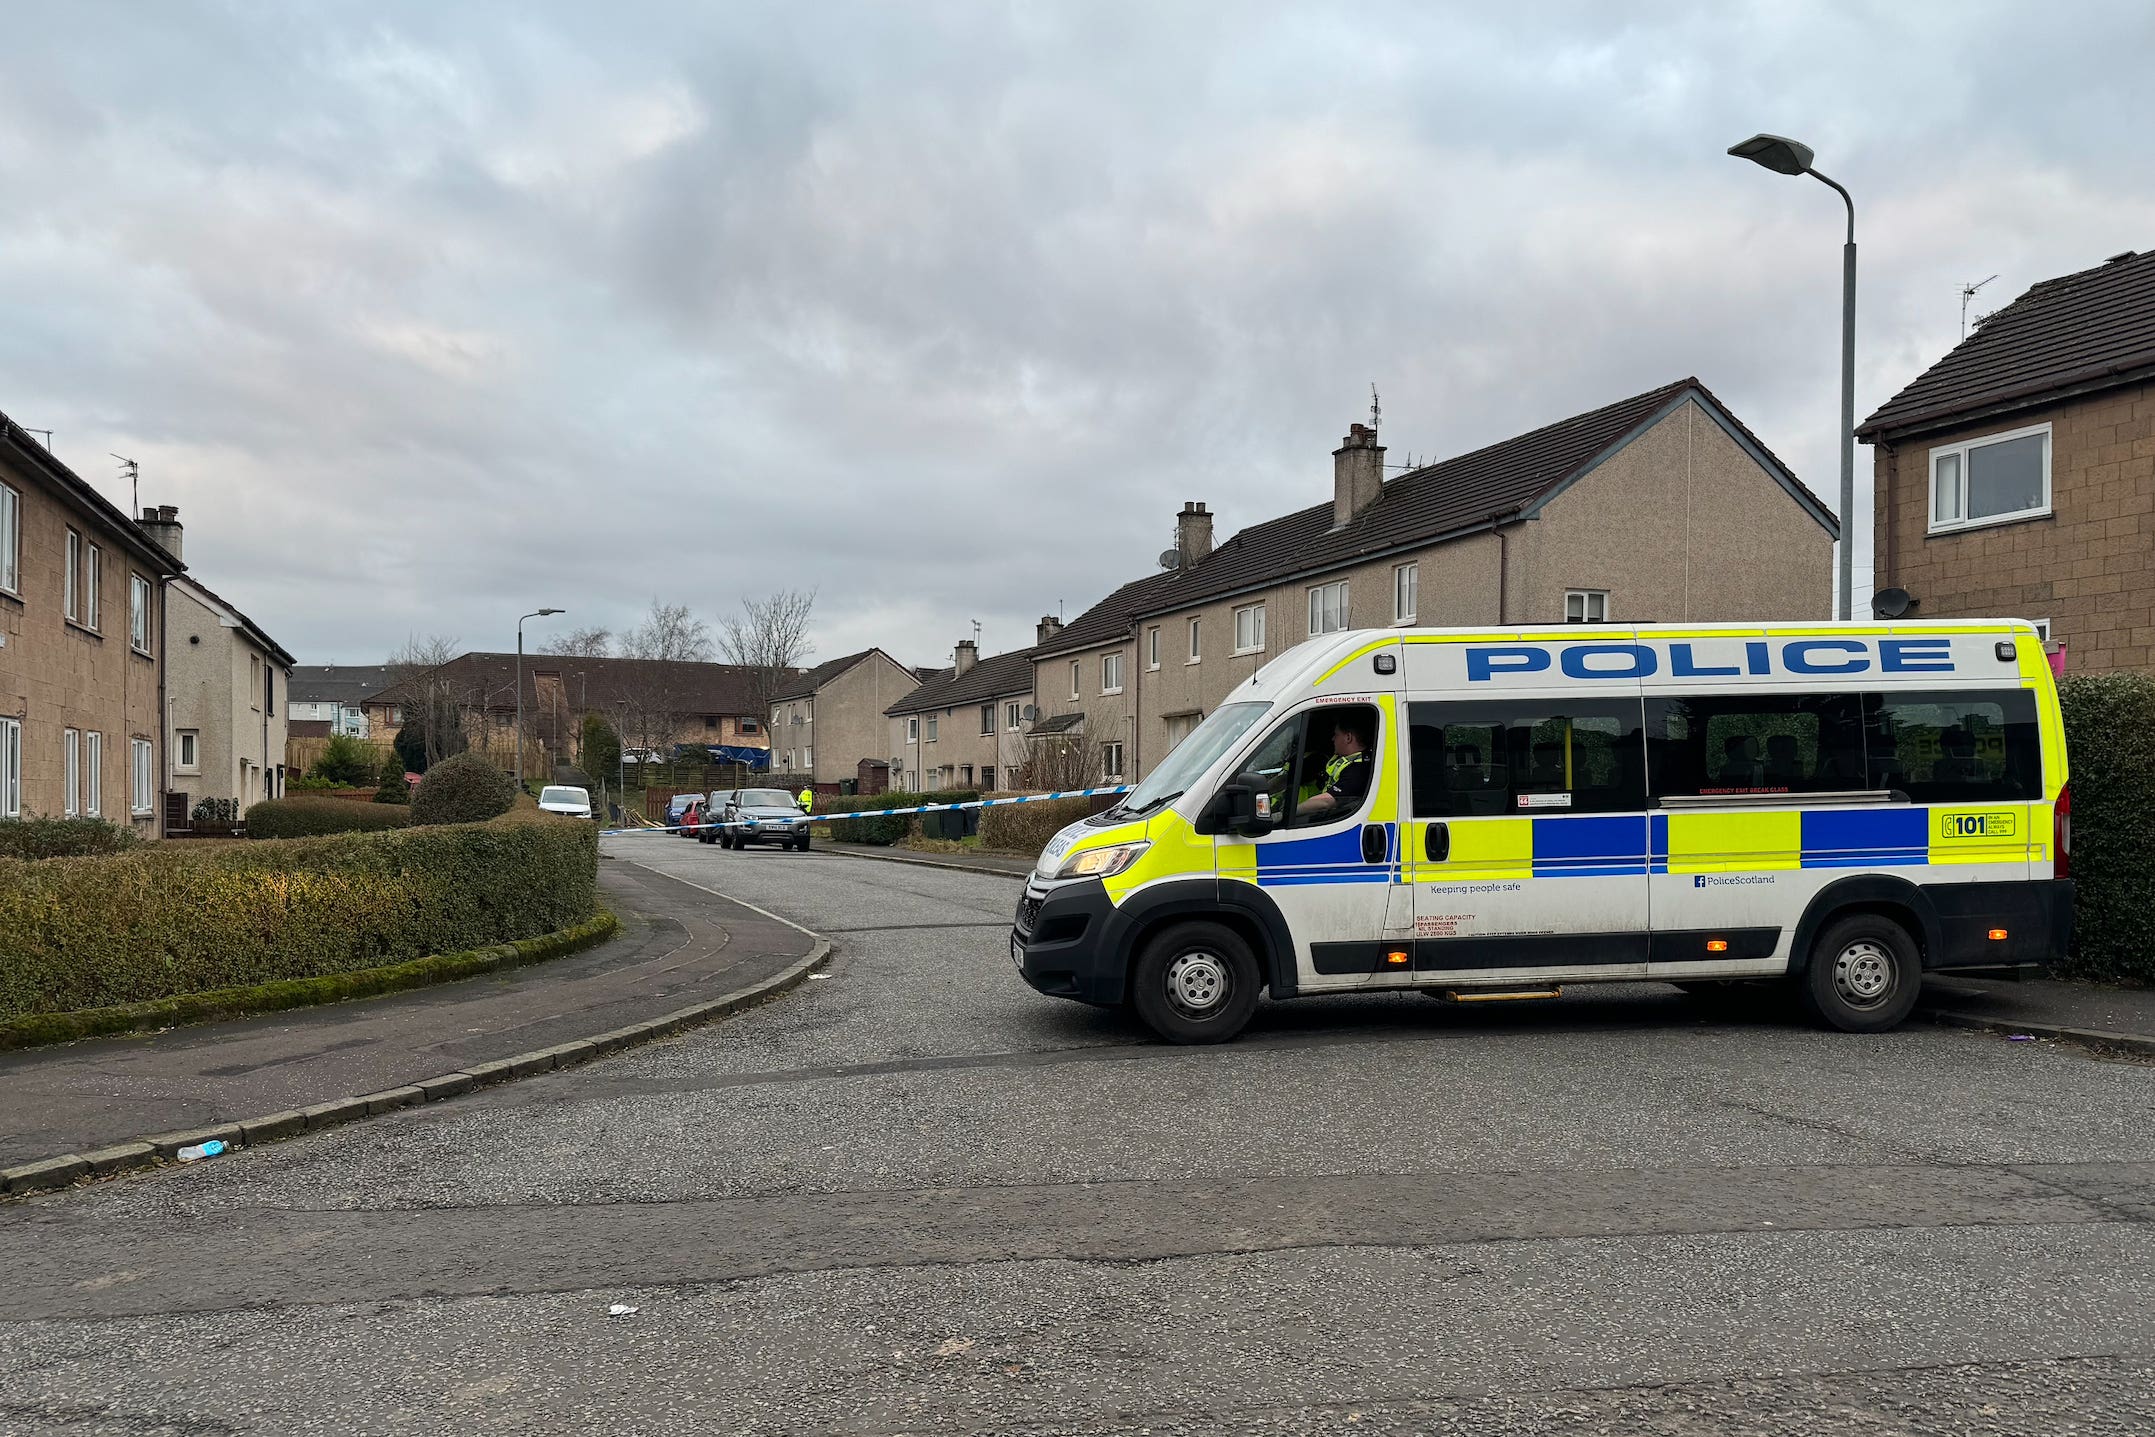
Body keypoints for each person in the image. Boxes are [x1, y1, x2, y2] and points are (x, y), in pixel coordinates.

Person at [1296, 714, 1373, 821]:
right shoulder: (1345, 759)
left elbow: (1326, 802)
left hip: (1336, 820)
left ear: (1348, 738)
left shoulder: (1359, 768)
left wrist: (1291, 813)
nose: (1332, 739)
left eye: (1336, 735)